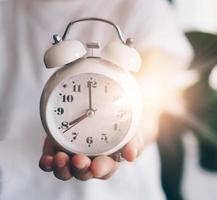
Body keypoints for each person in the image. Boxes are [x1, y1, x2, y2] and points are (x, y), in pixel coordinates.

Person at [0, 0, 192, 199]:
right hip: (21, 188)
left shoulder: (143, 6)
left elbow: (151, 101)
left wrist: (133, 134)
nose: (90, 112)